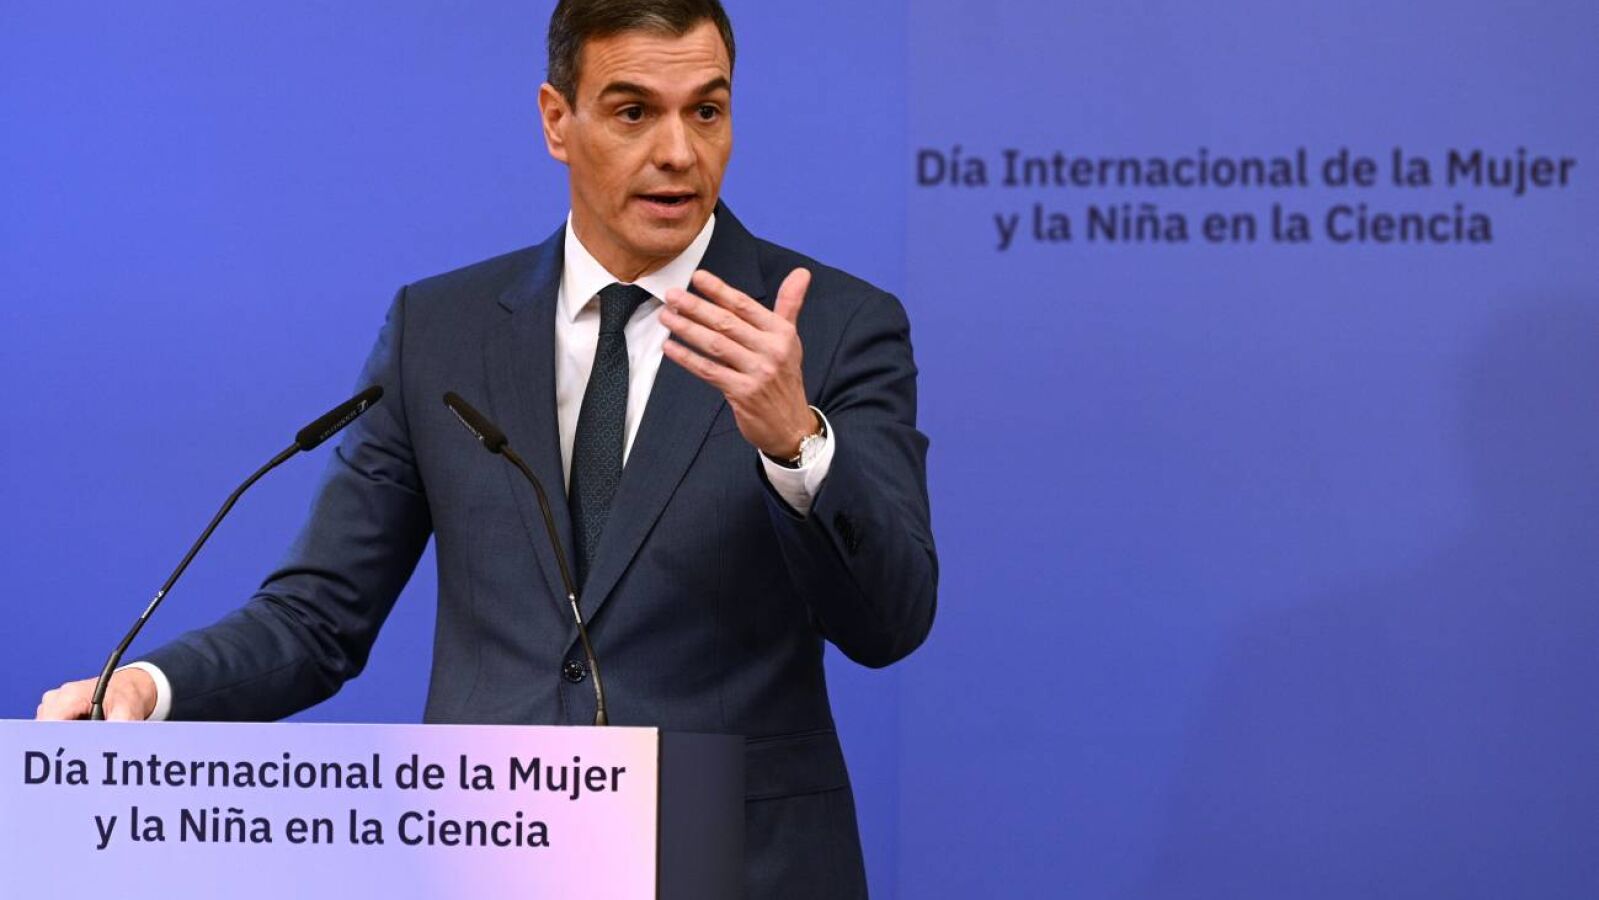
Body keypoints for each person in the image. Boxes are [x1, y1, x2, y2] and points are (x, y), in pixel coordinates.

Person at [36, 1, 936, 895]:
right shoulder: (441, 330)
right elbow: (318, 618)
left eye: (706, 110)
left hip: (738, 866)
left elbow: (890, 623)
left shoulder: (831, 327)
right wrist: (150, 689)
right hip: (493, 857)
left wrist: (795, 444)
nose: (677, 152)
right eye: (633, 111)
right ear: (556, 120)